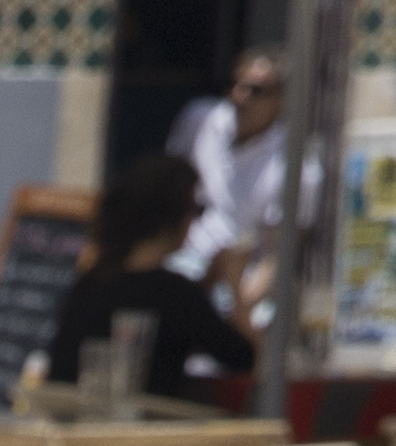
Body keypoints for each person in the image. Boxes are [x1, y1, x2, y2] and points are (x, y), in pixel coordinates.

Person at [44, 151, 257, 398]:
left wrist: (206, 284)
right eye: (194, 210)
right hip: (146, 431)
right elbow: (246, 358)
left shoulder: (90, 284)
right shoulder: (175, 294)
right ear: (174, 217)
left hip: (82, 428)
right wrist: (234, 284)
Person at [172, 50, 293, 293]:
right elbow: (169, 194)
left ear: (280, 102)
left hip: (239, 281)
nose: (240, 96)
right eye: (235, 84)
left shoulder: (293, 162)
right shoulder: (200, 120)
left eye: (255, 90)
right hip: (184, 264)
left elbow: (276, 256)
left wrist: (241, 311)